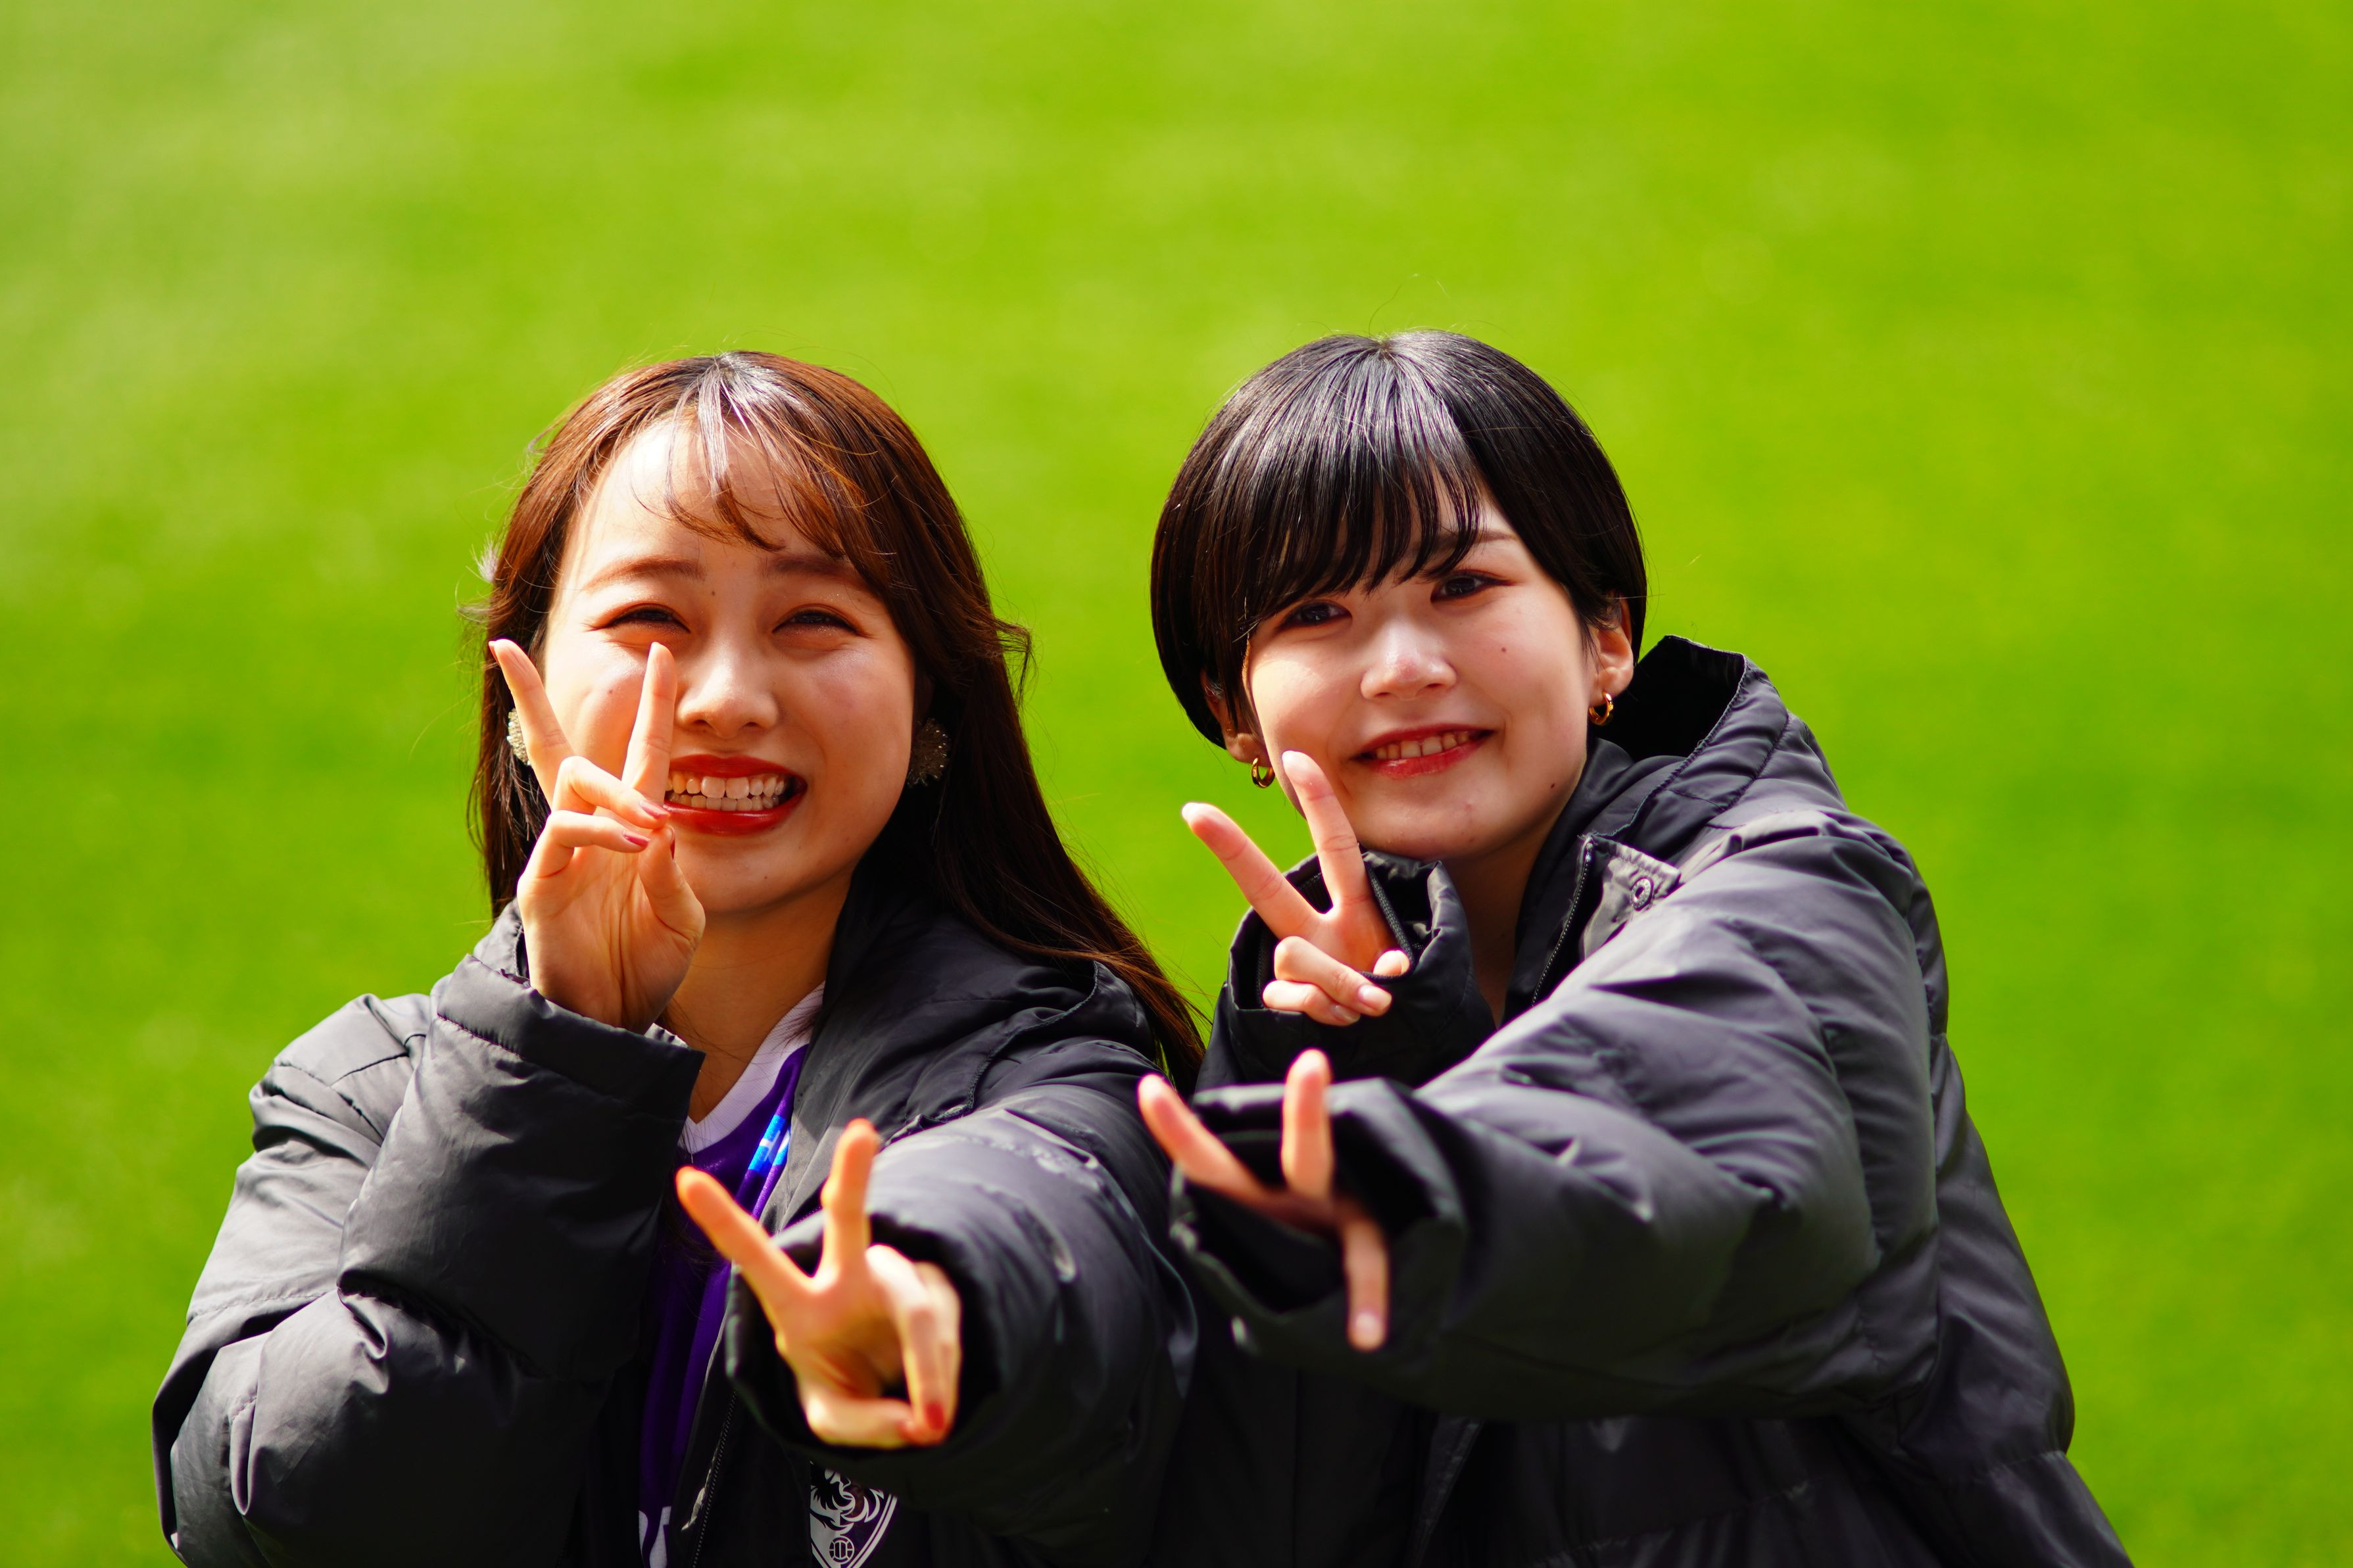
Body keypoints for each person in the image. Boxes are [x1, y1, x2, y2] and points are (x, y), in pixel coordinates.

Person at [151, 351, 1200, 1568]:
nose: (726, 697)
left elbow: (1050, 1256)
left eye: (813, 620)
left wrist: (935, 1300)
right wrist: (555, 1064)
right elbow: (293, 1521)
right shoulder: (362, 1097)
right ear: (522, 693)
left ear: (932, 712)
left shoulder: (1058, 1064)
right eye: (650, 621)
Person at [1134, 331, 2129, 1567]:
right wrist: (1377, 1051)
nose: (1402, 668)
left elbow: (1702, 1120)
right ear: (1233, 712)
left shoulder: (1792, 884)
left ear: (1605, 635)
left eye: (1463, 586)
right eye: (1317, 613)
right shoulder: (1297, 1017)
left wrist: (1395, 1164)